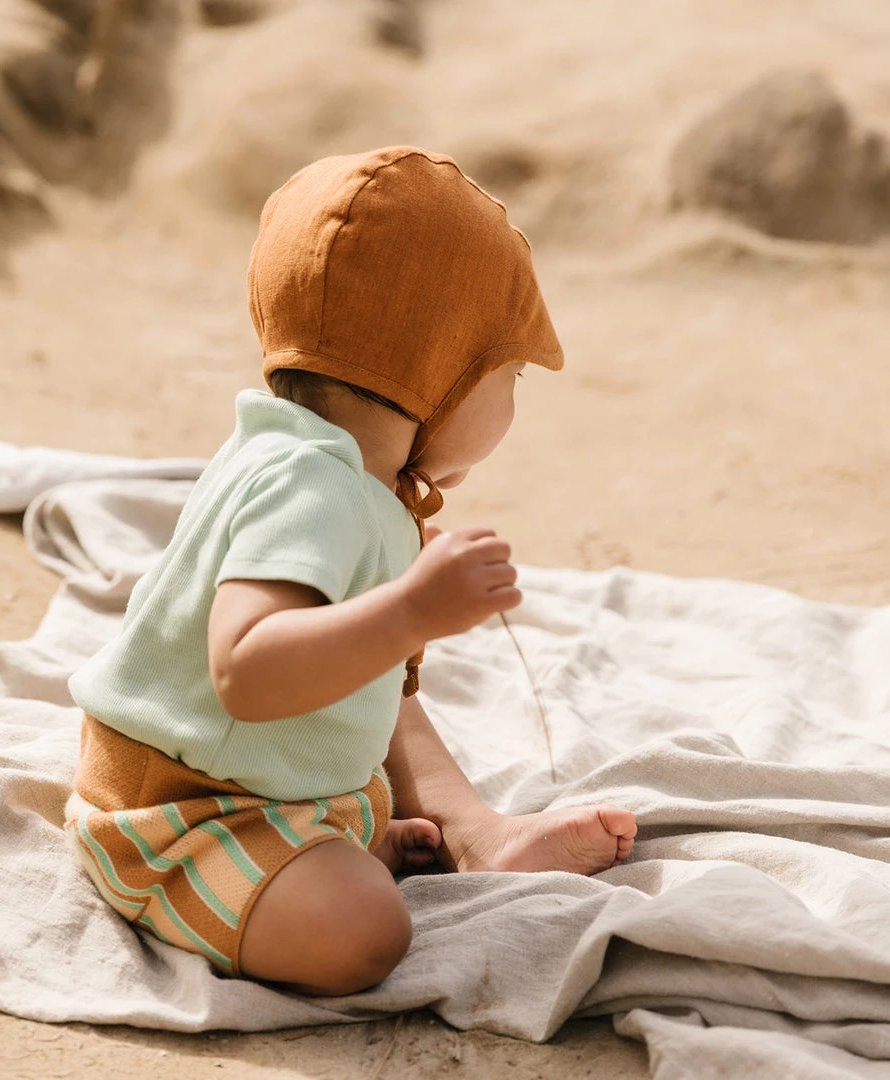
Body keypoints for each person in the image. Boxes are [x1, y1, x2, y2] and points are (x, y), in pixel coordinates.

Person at [64, 146, 637, 997]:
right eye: (509, 374)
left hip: (262, 773)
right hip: (184, 805)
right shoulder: (311, 486)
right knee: (363, 933)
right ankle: (291, 860)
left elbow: (366, 683)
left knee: (382, 690)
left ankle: (471, 830)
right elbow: (248, 672)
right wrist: (410, 611)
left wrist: (396, 628)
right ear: (435, 369)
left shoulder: (343, 471)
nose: (514, 402)